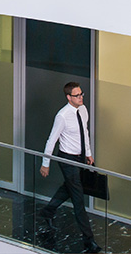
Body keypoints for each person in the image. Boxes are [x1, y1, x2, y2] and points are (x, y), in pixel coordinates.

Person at [39, 82, 101, 254]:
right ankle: (89, 241)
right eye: (77, 95)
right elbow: (51, 140)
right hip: (66, 159)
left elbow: (85, 132)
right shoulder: (62, 116)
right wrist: (46, 164)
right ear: (68, 97)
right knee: (78, 198)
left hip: (80, 157)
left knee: (68, 187)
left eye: (82, 94)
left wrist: (88, 153)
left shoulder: (83, 109)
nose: (81, 97)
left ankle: (47, 211)